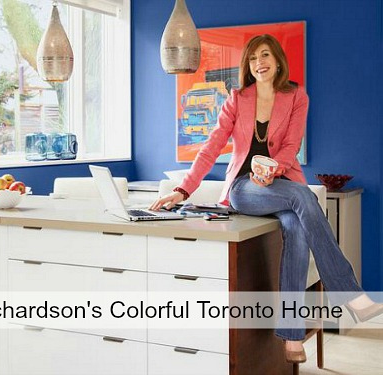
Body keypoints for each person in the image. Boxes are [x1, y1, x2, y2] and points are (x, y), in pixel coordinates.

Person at [150, 34, 383, 364]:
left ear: (277, 60)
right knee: (304, 197)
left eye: (265, 55)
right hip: (245, 189)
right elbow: (212, 146)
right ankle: (348, 293)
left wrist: (273, 172)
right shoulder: (236, 98)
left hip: (282, 184)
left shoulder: (296, 96)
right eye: (252, 58)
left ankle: (290, 337)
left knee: (298, 229)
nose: (259, 62)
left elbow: (291, 146)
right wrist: (183, 189)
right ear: (248, 65)